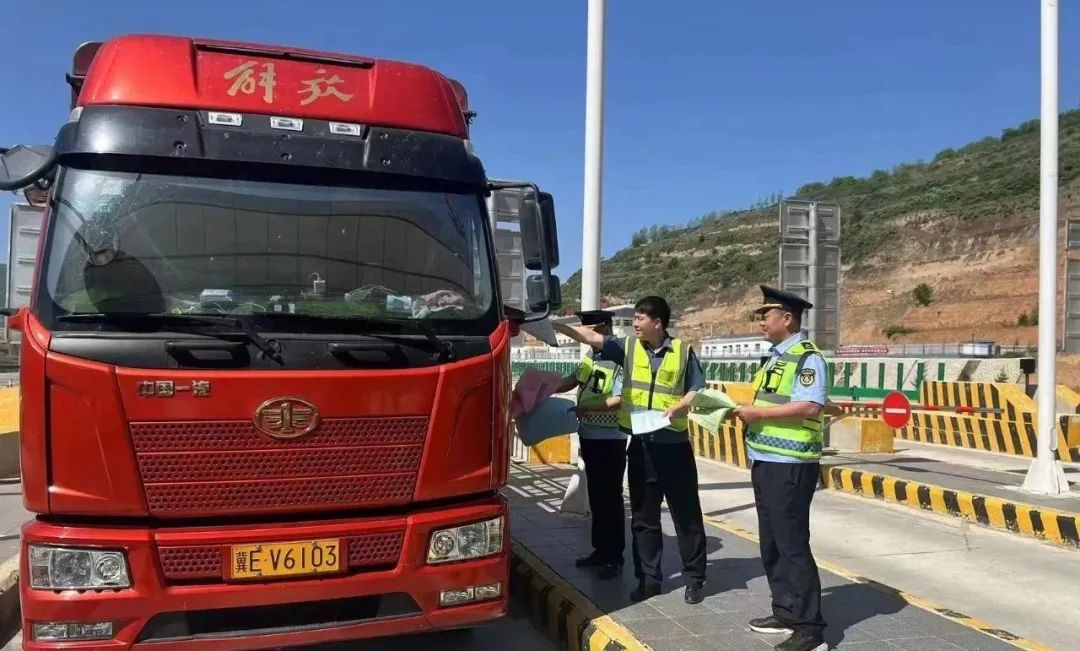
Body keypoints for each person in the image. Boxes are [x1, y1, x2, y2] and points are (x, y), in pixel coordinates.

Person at [553, 296, 709, 605]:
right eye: (634, 317)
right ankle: (649, 579)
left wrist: (682, 405)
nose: (635, 323)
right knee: (643, 518)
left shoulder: (682, 352)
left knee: (686, 516)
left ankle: (694, 578)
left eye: (639, 318)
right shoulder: (628, 348)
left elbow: (697, 387)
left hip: (674, 447)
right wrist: (554, 325)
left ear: (657, 323)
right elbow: (590, 337)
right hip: (641, 446)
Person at [733, 285, 829, 651]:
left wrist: (758, 414)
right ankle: (785, 610)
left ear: (787, 319)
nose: (761, 321)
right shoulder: (774, 358)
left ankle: (810, 629)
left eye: (766, 315)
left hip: (791, 464)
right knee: (771, 541)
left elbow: (810, 406)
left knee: (792, 545)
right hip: (765, 460)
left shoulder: (808, 358)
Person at [552, 310, 627, 579]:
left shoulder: (619, 359)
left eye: (590, 330)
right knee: (596, 495)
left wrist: (587, 409)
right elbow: (572, 380)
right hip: (590, 436)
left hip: (611, 438)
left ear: (604, 329)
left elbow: (620, 399)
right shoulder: (590, 357)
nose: (585, 336)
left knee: (611, 498)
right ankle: (600, 550)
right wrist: (542, 389)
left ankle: (614, 556)